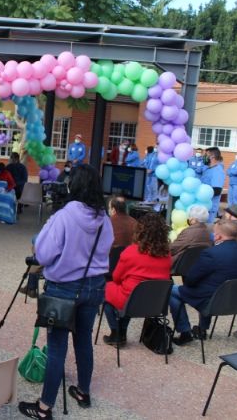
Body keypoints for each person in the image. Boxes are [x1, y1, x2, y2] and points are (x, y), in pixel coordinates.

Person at [19, 164, 113, 419]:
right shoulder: (104, 217)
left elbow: (44, 254)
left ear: (74, 185)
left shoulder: (64, 216)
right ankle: (83, 391)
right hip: (94, 285)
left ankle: (44, 407)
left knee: (57, 345)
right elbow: (107, 249)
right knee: (83, 340)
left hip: (63, 287)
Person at [169, 220, 237, 345]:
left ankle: (184, 331)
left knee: (171, 291)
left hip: (211, 301)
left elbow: (191, 279)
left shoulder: (211, 253)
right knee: (210, 287)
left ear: (218, 236)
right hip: (235, 302)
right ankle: (202, 329)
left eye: (214, 233)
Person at [102, 213, 172, 345]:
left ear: (139, 231)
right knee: (126, 293)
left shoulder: (131, 251)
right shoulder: (167, 254)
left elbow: (116, 277)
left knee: (107, 289)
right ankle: (121, 331)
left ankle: (117, 332)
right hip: (156, 302)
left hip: (131, 300)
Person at [201, 147, 225, 223]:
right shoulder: (208, 169)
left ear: (212, 157)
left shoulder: (218, 170)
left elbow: (217, 190)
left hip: (210, 207)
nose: (204, 157)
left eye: (206, 155)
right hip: (203, 205)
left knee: (208, 229)